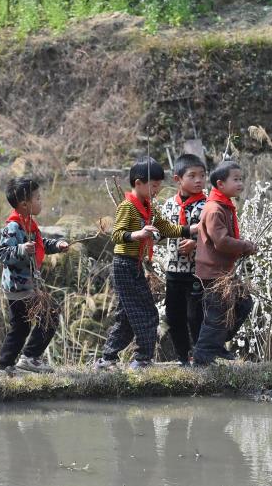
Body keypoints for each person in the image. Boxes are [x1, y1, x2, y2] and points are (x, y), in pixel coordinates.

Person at [96, 158, 195, 370]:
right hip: (124, 265)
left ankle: (108, 359)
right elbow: (117, 234)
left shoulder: (148, 207)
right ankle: (142, 359)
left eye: (159, 185)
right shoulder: (128, 207)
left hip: (134, 265)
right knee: (147, 313)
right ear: (139, 183)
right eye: (154, 185)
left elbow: (166, 228)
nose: (157, 189)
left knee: (125, 317)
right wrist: (137, 234)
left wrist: (189, 230)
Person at [0, 178, 70, 375]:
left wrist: (56, 245)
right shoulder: (13, 227)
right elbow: (2, 253)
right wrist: (20, 248)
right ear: (24, 204)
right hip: (18, 288)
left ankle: (7, 364)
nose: (41, 201)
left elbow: (39, 243)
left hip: (27, 286)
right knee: (48, 314)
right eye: (37, 198)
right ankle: (28, 358)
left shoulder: (28, 224)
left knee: (22, 327)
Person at [192, 161, 257, 366]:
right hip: (214, 273)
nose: (240, 183)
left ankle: (215, 343)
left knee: (243, 303)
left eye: (241, 179)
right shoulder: (214, 209)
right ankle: (202, 360)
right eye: (235, 179)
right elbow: (221, 242)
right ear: (220, 184)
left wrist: (243, 246)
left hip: (223, 271)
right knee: (216, 316)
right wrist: (245, 245)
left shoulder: (224, 206)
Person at [159, 154, 207, 366]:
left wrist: (196, 244)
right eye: (193, 176)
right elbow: (160, 231)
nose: (199, 180)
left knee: (195, 315)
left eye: (203, 176)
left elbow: (216, 234)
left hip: (197, 271)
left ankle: (200, 355)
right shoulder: (168, 205)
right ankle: (182, 356)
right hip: (173, 270)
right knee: (173, 315)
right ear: (177, 179)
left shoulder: (208, 205)